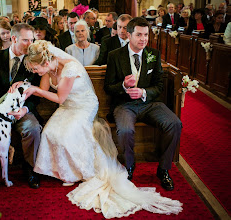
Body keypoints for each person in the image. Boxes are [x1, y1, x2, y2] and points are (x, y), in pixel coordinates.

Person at [22, 39, 182, 219]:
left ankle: (78, 172)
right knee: (50, 132)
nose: (35, 72)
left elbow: (58, 97)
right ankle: (64, 171)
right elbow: (45, 90)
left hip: (84, 106)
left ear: (45, 61)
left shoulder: (70, 68)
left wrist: (34, 90)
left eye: (36, 69)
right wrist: (31, 88)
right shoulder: (49, 68)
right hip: (68, 107)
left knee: (65, 135)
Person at [104, 17, 182, 191]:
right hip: (124, 105)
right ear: (129, 35)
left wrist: (144, 92)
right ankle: (129, 167)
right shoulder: (115, 56)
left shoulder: (154, 54)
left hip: (150, 103)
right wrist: (124, 86)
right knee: (125, 131)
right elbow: (108, 87)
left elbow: (159, 85)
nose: (143, 39)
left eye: (146, 35)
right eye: (139, 34)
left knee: (175, 124)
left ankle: (163, 169)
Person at [0, 23, 42, 189]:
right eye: (26, 40)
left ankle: (31, 169)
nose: (30, 44)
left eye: (32, 40)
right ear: (13, 38)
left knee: (33, 128)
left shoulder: (33, 62)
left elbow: (37, 95)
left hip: (20, 111)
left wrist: (25, 109)